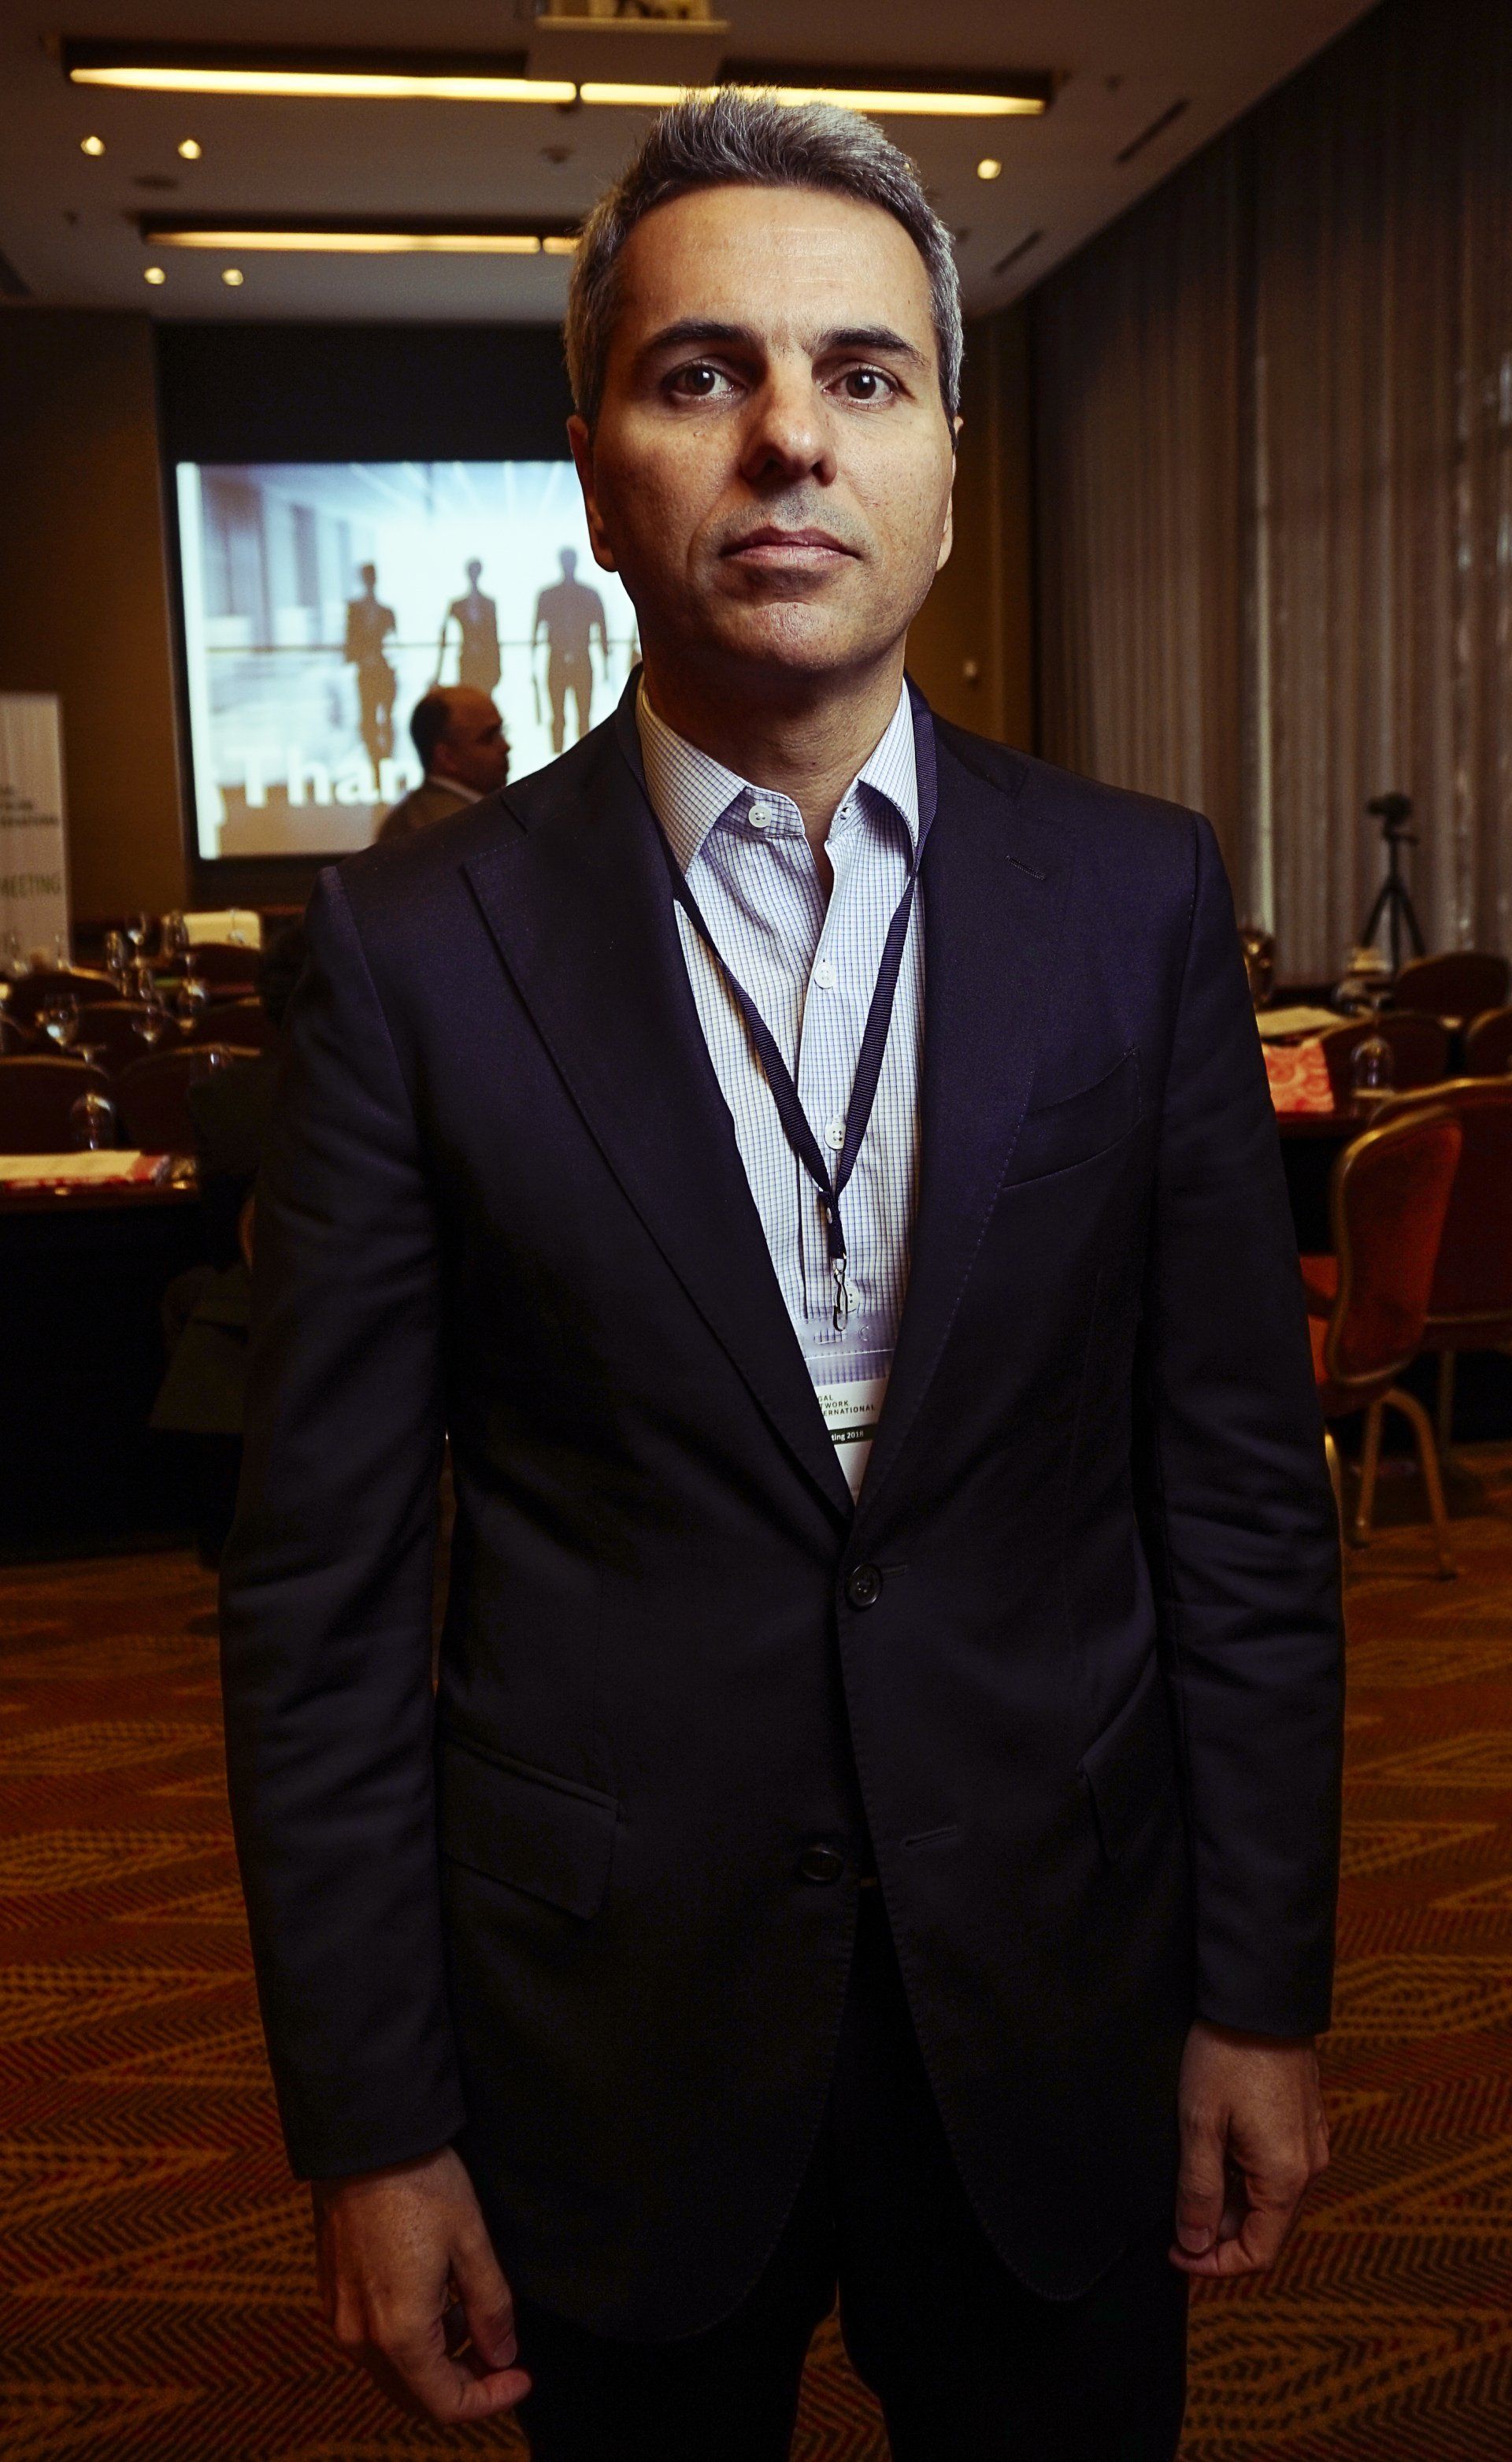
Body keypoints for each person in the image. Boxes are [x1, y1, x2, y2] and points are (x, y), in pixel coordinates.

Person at [221, 92, 1342, 2462]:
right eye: (699, 372)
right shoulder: (412, 952)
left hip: (1060, 1976)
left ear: (944, 459)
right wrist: (372, 2119)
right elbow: (316, 1602)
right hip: (603, 2020)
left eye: (861, 374)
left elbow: (1240, 1500)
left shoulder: (1136, 896)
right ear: (593, 468)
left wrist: (1261, 1990)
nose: (789, 441)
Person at [378, 685, 510, 844]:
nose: (505, 746)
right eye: (489, 737)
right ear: (446, 757)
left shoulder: (416, 816)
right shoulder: (456, 827)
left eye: (501, 732)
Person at [532, 545, 608, 751]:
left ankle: (584, 757)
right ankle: (557, 755)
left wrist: (606, 663)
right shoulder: (548, 595)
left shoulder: (589, 595)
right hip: (557, 660)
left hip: (582, 659)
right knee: (557, 714)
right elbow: (535, 630)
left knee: (583, 713)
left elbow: (602, 628)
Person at [343, 564, 398, 793]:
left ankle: (385, 763)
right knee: (368, 720)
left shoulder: (386, 611)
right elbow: (350, 641)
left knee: (385, 719)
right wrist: (362, 658)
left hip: (383, 672)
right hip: (367, 672)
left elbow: (395, 643)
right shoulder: (355, 610)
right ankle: (377, 766)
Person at [436, 559, 502, 696]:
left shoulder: (488, 604)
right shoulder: (457, 605)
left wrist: (498, 667)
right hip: (466, 660)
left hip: (485, 662)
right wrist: (438, 672)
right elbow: (445, 634)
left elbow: (494, 637)